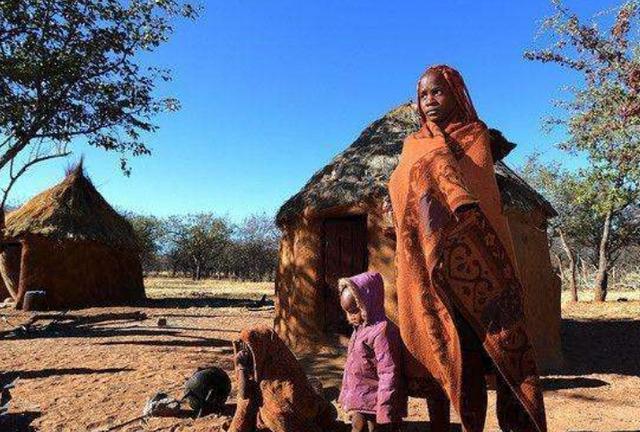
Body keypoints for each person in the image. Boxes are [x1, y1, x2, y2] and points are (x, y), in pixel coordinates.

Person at [388, 65, 548, 432]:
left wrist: (436, 169)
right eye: (423, 94)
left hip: (478, 266)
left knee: (482, 354)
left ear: (456, 94)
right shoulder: (412, 145)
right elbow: (401, 190)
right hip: (429, 268)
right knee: (445, 353)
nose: (429, 100)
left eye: (437, 92)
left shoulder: (475, 136)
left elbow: (480, 195)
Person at [228, 325, 343, 432]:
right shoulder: (260, 372)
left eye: (249, 349)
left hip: (305, 414)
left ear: (262, 349)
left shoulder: (285, 379)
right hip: (276, 420)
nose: (244, 353)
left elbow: (300, 409)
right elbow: (244, 394)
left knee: (321, 399)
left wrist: (241, 367)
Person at [338, 272, 406, 432]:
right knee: (358, 426)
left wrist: (385, 407)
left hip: (376, 400)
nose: (351, 317)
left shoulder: (382, 331)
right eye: (347, 311)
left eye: (355, 311)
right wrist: (347, 396)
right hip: (360, 397)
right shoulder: (360, 329)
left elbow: (389, 371)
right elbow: (352, 366)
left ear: (368, 303)